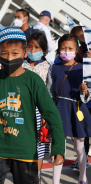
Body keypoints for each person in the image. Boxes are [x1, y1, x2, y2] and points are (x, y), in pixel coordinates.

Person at [0, 27, 65, 184]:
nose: (9, 58)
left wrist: (58, 146)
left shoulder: (33, 81)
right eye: (4, 53)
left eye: (15, 53)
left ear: (24, 53)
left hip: (26, 152)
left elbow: (51, 114)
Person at [46, 34, 91, 184]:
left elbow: (87, 96)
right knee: (58, 146)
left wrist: (84, 90)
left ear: (76, 49)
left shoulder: (83, 68)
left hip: (78, 109)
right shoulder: (53, 68)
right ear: (58, 49)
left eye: (70, 48)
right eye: (63, 48)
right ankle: (55, 181)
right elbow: (50, 91)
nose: (66, 51)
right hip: (59, 109)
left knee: (79, 147)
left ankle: (82, 177)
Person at [22, 32, 50, 183]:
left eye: (37, 47)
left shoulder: (47, 67)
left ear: (43, 50)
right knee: (24, 144)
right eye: (30, 47)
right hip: (22, 110)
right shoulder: (21, 65)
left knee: (38, 147)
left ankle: (36, 178)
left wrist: (46, 115)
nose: (32, 50)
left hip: (39, 112)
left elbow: (49, 92)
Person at [69, 26, 91, 172]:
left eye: (83, 38)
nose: (81, 41)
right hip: (79, 100)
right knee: (82, 133)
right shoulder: (72, 55)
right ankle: (82, 160)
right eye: (78, 38)